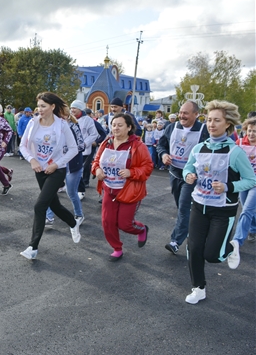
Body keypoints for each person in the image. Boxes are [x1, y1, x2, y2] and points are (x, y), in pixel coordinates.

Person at [182, 100, 256, 304]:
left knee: (213, 255)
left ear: (228, 124)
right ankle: (199, 288)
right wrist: (189, 175)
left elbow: (252, 180)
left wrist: (228, 187)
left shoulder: (235, 152)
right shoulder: (198, 148)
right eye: (208, 120)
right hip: (199, 205)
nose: (211, 124)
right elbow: (188, 168)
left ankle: (232, 248)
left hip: (223, 210)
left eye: (217, 120)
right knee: (194, 249)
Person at [19, 92, 81, 260]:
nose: (40, 109)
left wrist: (57, 164)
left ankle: (33, 247)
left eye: (43, 106)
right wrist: (32, 160)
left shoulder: (61, 125)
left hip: (56, 170)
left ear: (53, 107)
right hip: (39, 170)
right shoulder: (33, 123)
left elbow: (74, 149)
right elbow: (22, 146)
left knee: (40, 206)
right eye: (38, 106)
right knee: (54, 205)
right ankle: (74, 222)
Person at [91, 113, 153, 261]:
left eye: (120, 125)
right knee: (107, 222)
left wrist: (131, 172)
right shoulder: (106, 143)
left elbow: (148, 167)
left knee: (125, 224)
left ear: (129, 127)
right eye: (113, 125)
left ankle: (141, 229)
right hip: (109, 189)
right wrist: (97, 170)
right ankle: (117, 248)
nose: (116, 128)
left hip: (129, 191)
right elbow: (96, 161)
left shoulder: (138, 146)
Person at [156, 101, 210, 255]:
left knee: (184, 207)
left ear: (196, 114)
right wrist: (163, 154)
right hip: (174, 173)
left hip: (191, 177)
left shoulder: (204, 130)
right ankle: (193, 228)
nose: (182, 115)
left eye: (186, 113)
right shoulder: (171, 127)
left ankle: (175, 241)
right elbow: (161, 145)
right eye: (180, 112)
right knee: (182, 207)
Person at [45, 104, 86, 236]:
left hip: (73, 164)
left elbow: (81, 146)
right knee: (51, 190)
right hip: (57, 164)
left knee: (71, 192)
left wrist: (65, 151)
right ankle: (49, 217)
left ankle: (79, 215)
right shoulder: (55, 127)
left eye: (61, 115)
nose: (59, 117)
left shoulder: (74, 126)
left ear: (67, 115)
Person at [227, 116, 256, 268]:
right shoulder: (239, 144)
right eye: (250, 131)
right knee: (247, 209)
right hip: (243, 182)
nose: (252, 134)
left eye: (255, 132)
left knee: (246, 210)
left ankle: (237, 240)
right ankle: (253, 228)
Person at [70, 101, 98, 200]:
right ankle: (70, 187)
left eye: (75, 108)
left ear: (80, 109)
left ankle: (81, 190)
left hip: (83, 151)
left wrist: (84, 143)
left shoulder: (88, 120)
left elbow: (94, 134)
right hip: (70, 149)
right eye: (71, 108)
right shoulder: (69, 119)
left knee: (78, 170)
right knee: (70, 170)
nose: (72, 110)